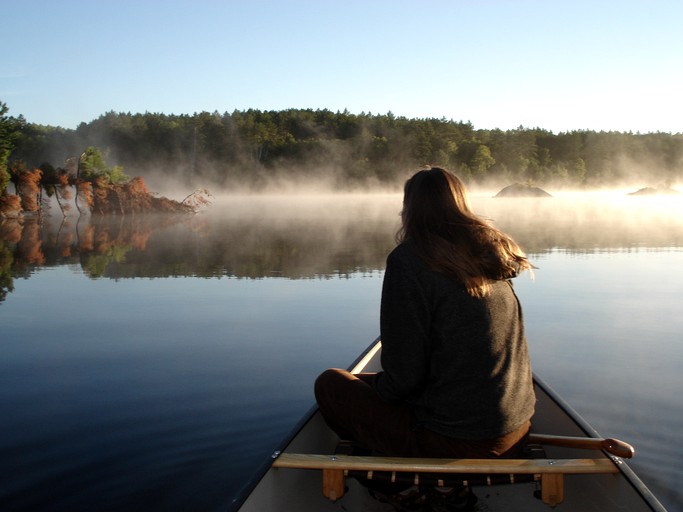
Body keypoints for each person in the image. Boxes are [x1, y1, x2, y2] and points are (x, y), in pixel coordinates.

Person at [314, 167, 536, 462]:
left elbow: (404, 380)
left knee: (331, 384)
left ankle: (397, 484)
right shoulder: (490, 257)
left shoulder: (409, 261)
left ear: (410, 209)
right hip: (517, 430)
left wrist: (376, 390)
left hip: (458, 441)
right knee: (366, 384)